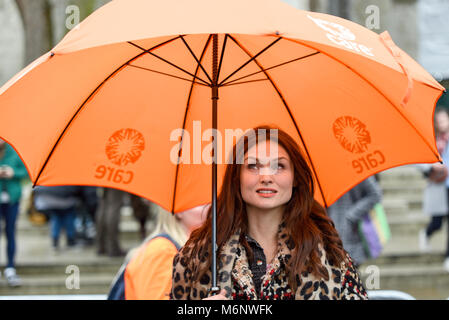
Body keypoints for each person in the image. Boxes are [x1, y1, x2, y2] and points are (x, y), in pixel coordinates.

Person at [170, 126, 368, 300]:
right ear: (236, 177)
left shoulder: (328, 253)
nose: (266, 177)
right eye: (253, 166)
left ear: (295, 178)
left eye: (278, 166)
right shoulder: (197, 255)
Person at [107, 204, 208, 300]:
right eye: (201, 204)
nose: (209, 208)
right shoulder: (162, 250)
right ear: (179, 210)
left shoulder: (186, 249)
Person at [327, 177, 383, 267]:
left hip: (351, 235)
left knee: (350, 273)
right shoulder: (325, 173)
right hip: (330, 232)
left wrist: (351, 215)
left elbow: (375, 194)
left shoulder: (356, 170)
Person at [419, 108, 449, 272]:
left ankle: (448, 256)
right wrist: (433, 167)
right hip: (439, 186)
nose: (443, 123)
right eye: (440, 121)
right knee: (437, 222)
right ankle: (426, 233)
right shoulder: (434, 141)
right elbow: (423, 165)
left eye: (445, 120)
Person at [33, 186, 98, 251]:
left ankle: (55, 240)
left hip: (51, 199)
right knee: (69, 219)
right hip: (67, 199)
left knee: (56, 219)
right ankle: (70, 240)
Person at [0, 139, 28, 287]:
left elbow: (25, 171)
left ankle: (10, 267)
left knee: (10, 231)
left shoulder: (14, 151)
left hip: (12, 198)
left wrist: (12, 173)